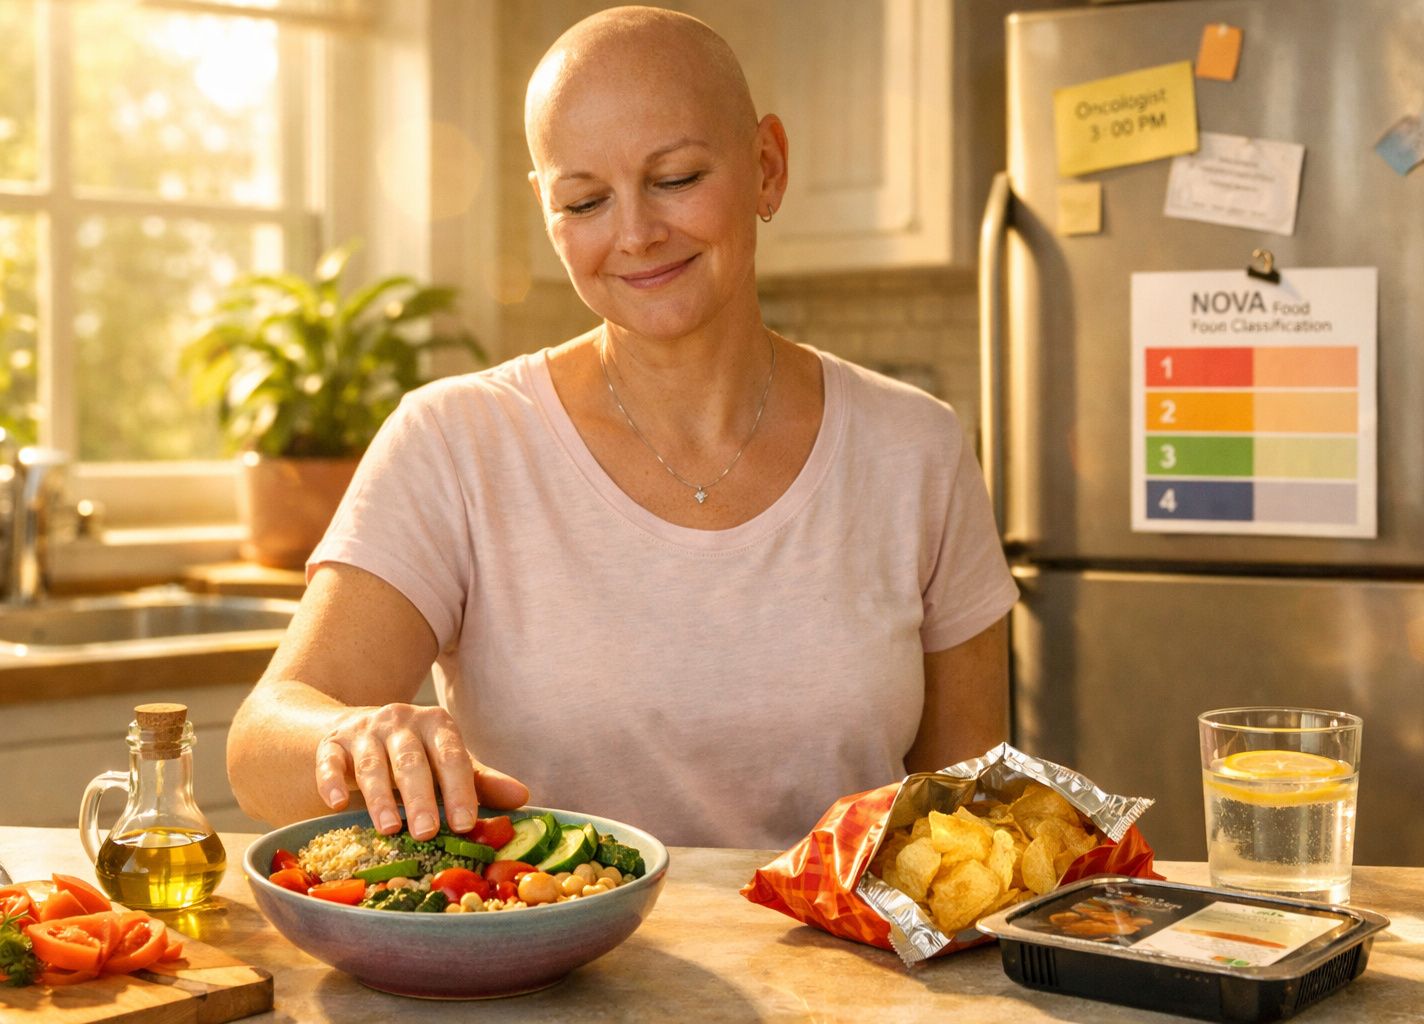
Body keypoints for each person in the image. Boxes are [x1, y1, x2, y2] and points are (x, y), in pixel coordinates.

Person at [226, 5, 1018, 850]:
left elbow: (973, 824)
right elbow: (259, 747)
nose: (636, 234)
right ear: (546, 212)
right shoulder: (456, 443)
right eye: (585, 200)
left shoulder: (916, 451)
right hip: (533, 974)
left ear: (767, 167)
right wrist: (349, 738)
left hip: (850, 976)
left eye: (675, 178)